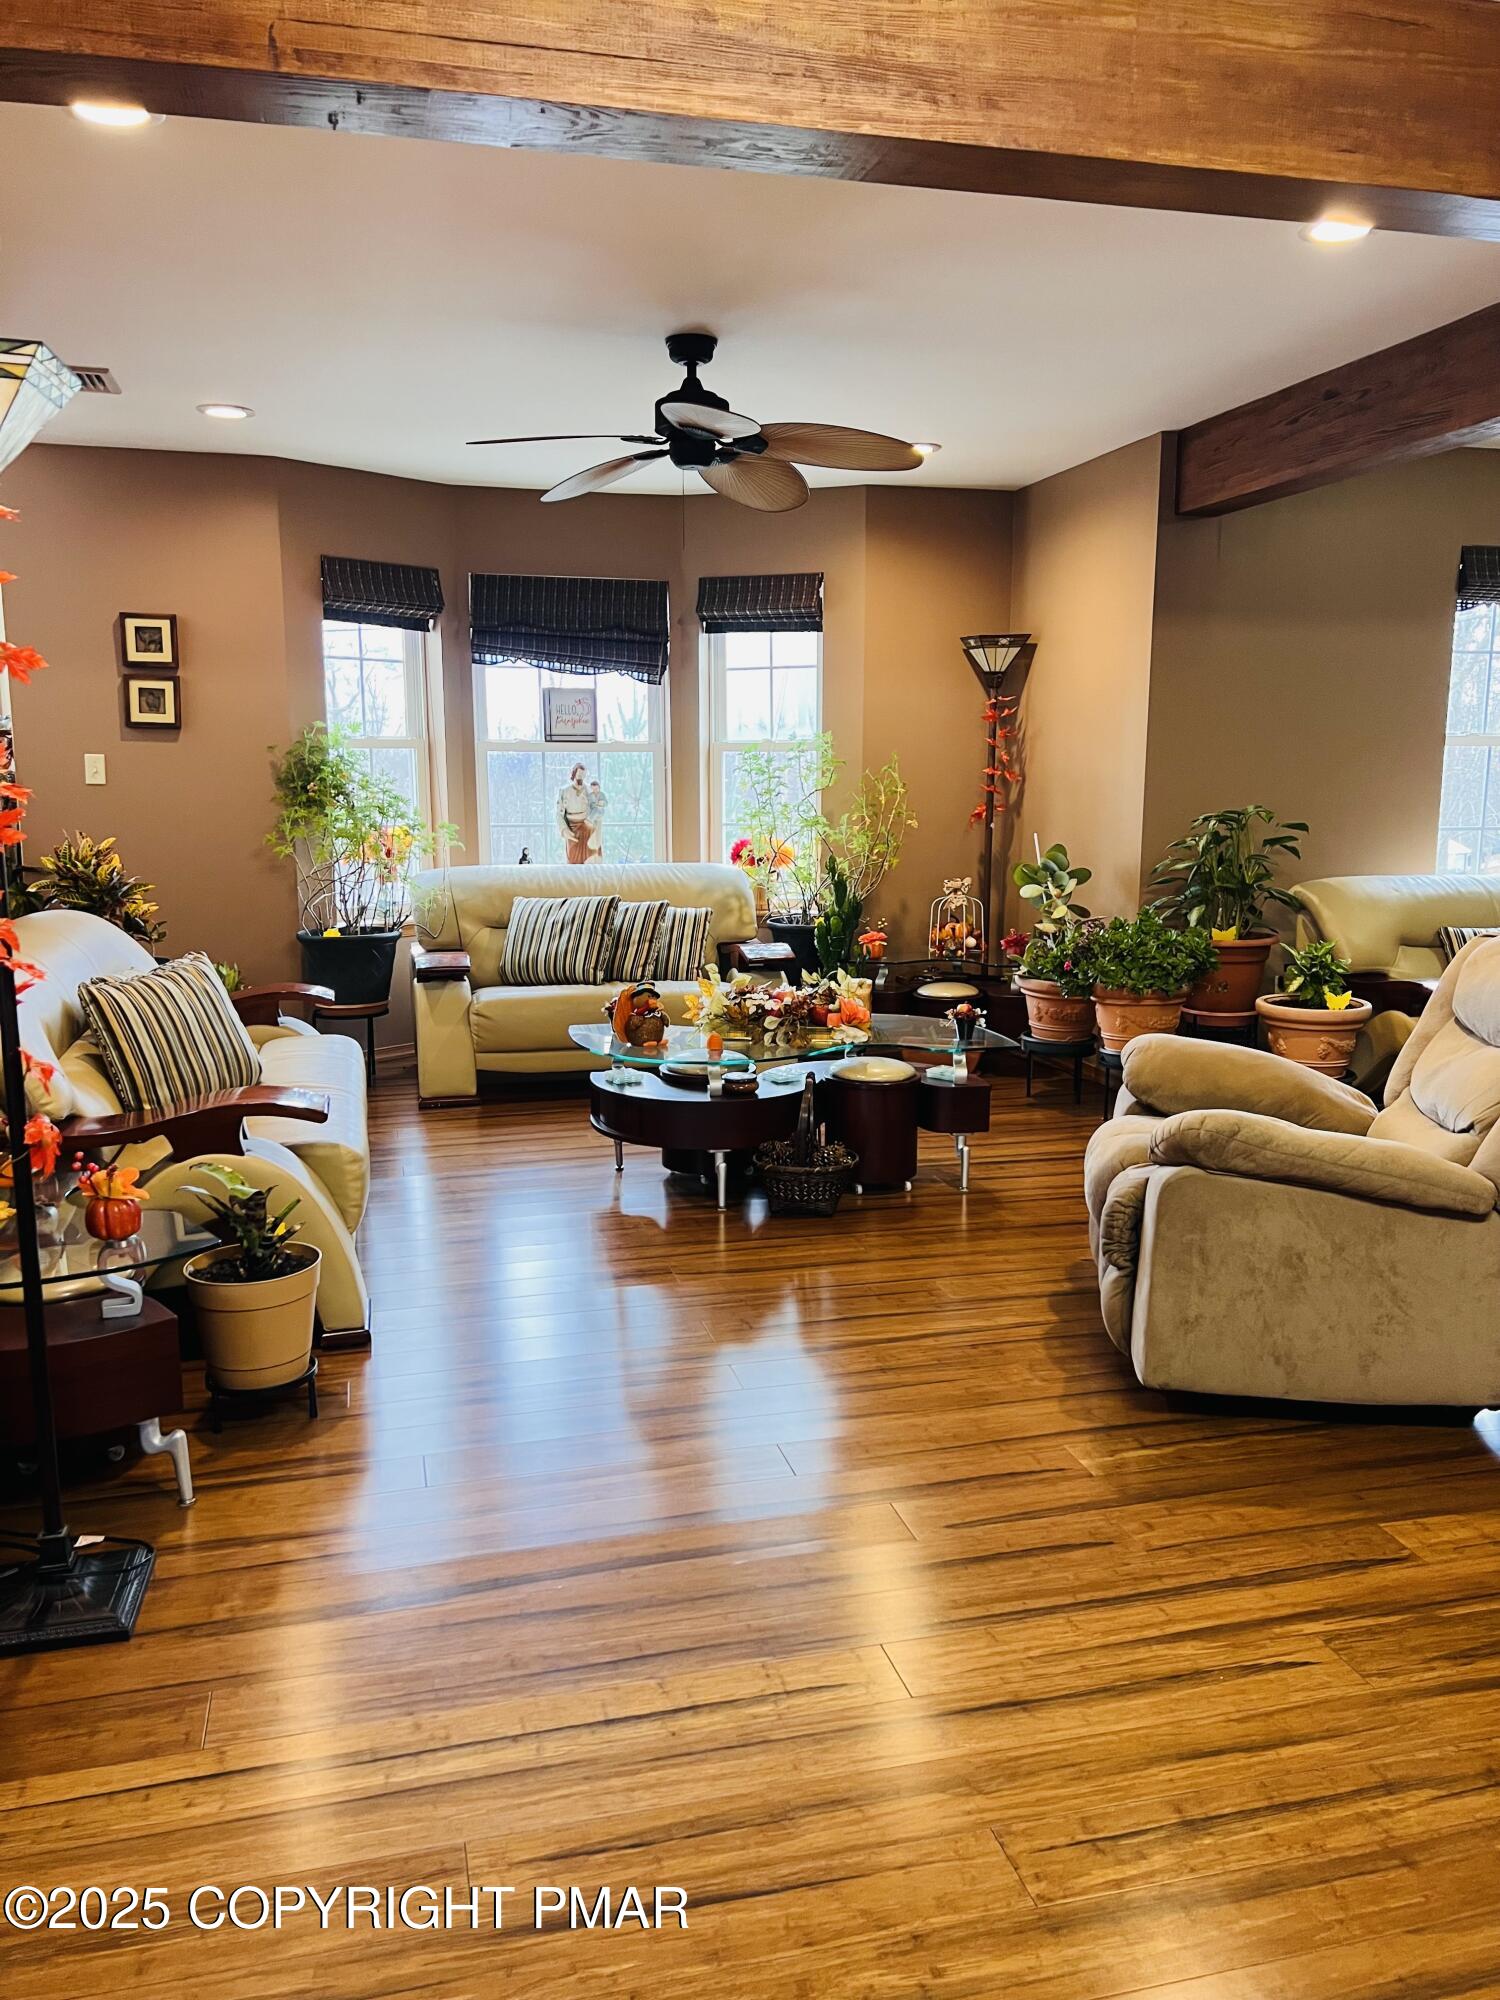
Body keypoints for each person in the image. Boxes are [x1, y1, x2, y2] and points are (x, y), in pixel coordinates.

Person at [556, 764, 594, 865]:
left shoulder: (589, 791)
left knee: (589, 862)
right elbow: (559, 814)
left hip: (587, 828)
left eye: (583, 775)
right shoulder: (564, 791)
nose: (581, 778)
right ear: (574, 774)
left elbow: (595, 810)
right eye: (579, 775)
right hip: (572, 829)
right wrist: (564, 830)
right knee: (573, 861)